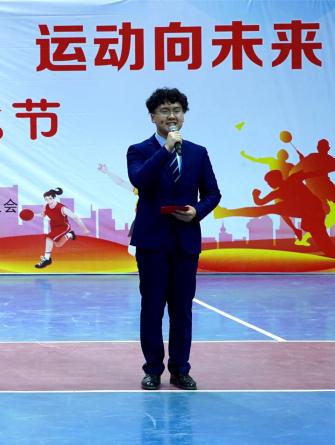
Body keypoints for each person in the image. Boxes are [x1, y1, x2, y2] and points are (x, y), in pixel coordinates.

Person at [127, 87, 220, 391]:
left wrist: (197, 212)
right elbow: (140, 181)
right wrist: (165, 149)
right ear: (152, 117)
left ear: (184, 115)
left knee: (182, 309)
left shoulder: (197, 152)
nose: (172, 116)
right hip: (152, 242)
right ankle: (152, 369)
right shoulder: (138, 150)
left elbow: (213, 193)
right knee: (152, 307)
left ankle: (180, 370)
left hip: (185, 241)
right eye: (165, 111)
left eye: (177, 110)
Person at [34, 187, 91, 268]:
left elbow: (75, 217)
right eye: (46, 199)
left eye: (50, 198)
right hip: (54, 226)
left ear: (54, 197)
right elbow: (42, 215)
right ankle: (70, 234)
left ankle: (47, 259)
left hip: (63, 227)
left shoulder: (62, 208)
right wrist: (32, 215)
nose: (48, 200)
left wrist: (84, 229)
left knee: (49, 238)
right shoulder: (46, 206)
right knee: (58, 244)